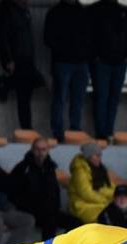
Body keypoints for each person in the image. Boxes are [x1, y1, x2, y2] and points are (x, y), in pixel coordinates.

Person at [9, 137, 79, 239]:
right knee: (50, 221)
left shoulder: (50, 167)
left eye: (43, 150)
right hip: (31, 212)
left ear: (48, 150)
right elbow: (13, 192)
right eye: (37, 149)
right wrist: (26, 207)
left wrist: (56, 207)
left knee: (76, 223)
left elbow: (55, 190)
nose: (40, 153)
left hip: (52, 210)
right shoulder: (22, 168)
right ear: (32, 149)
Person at [44, 0, 93, 142]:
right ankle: (58, 132)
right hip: (63, 62)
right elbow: (47, 38)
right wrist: (63, 49)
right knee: (60, 97)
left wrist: (86, 54)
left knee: (78, 98)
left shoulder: (84, 12)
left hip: (81, 63)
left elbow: (91, 36)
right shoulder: (55, 12)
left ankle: (75, 130)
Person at [0, 0, 45, 131]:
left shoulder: (23, 11)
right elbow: (1, 37)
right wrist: (8, 59)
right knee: (24, 95)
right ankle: (26, 127)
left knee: (38, 82)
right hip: (16, 58)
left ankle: (6, 82)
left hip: (27, 58)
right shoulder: (5, 10)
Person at [88, 0, 127, 141]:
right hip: (101, 62)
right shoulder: (94, 10)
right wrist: (94, 57)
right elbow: (88, 34)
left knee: (113, 98)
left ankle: (109, 131)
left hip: (120, 62)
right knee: (101, 97)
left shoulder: (124, 11)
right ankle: (101, 133)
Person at [68, 142, 115, 224]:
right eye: (96, 156)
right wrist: (106, 201)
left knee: (117, 209)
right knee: (108, 212)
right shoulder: (80, 171)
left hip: (94, 202)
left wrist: (115, 194)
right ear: (88, 156)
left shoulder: (100, 169)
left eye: (100, 155)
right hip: (80, 205)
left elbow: (107, 187)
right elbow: (86, 194)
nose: (99, 158)